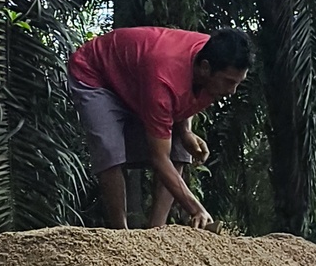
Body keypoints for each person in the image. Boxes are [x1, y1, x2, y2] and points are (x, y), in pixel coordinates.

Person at [69, 25, 250, 230]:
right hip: (96, 74)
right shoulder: (163, 79)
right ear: (206, 68)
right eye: (228, 82)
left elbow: (184, 98)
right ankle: (120, 234)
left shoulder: (212, 57)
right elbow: (159, 158)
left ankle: (156, 231)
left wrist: (185, 131)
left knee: (180, 147)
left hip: (138, 82)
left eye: (238, 83)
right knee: (110, 149)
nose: (232, 91)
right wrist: (196, 208)